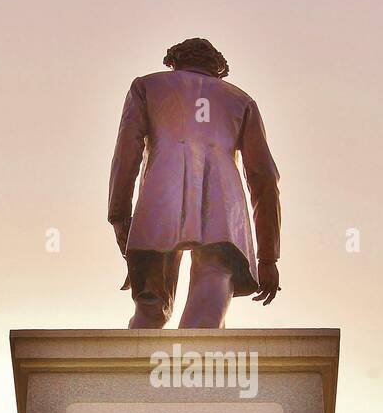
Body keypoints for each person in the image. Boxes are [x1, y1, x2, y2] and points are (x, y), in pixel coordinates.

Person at [108, 37, 281, 328]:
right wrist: (268, 257)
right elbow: (263, 178)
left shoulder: (147, 87)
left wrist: (119, 214)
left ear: (174, 61)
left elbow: (127, 153)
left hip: (159, 201)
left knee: (151, 306)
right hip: (223, 211)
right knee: (208, 306)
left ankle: (137, 367)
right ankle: (195, 364)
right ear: (218, 68)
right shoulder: (240, 101)